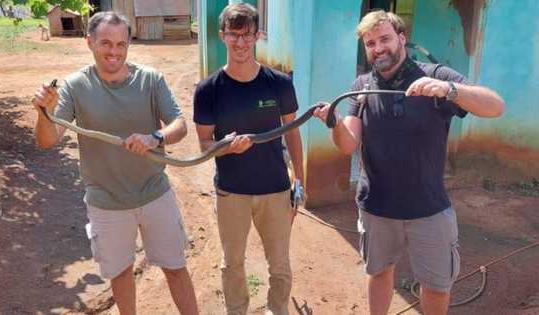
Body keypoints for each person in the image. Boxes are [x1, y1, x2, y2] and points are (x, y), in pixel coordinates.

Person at [314, 10, 504, 315]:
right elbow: (348, 142)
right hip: (376, 207)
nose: (378, 48)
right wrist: (333, 123)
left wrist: (451, 90)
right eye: (370, 43)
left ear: (402, 39)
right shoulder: (362, 86)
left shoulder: (435, 76)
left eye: (385, 38)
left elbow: (495, 106)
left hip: (428, 208)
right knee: (378, 273)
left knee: (437, 285)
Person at [32, 12, 198, 315]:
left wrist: (155, 137)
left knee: (175, 267)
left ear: (129, 44)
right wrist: (45, 112)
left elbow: (180, 124)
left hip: (154, 193)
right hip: (106, 202)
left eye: (121, 44)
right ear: (89, 42)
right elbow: (47, 140)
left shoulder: (150, 79)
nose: (114, 52)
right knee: (121, 273)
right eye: (106, 43)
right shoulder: (74, 87)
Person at [193, 3, 305, 315]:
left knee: (280, 263)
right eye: (234, 35)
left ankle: (277, 310)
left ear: (258, 36)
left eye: (247, 35)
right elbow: (204, 143)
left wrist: (300, 180)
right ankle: (237, 311)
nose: (240, 42)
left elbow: (293, 133)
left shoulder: (279, 83)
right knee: (232, 264)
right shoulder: (208, 90)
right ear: (222, 36)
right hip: (232, 191)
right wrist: (225, 146)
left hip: (275, 189)